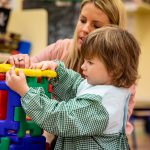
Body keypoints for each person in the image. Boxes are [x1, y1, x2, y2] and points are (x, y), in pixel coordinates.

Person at [5, 0, 134, 145]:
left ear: (114, 68)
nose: (84, 67)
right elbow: (76, 86)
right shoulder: (100, 82)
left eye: (96, 26)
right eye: (82, 20)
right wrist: (56, 72)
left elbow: (59, 118)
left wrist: (25, 92)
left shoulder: (100, 104)